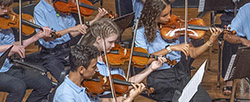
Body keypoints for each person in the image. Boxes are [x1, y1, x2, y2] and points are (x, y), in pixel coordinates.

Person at [135, 0, 222, 101]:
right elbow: (143, 59)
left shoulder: (175, 26)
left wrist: (209, 42)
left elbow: (193, 53)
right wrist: (170, 49)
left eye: (170, 13)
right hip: (159, 77)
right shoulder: (141, 33)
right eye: (164, 15)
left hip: (179, 72)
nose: (169, 18)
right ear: (153, 16)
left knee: (204, 99)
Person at [80, 18, 168, 101]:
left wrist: (150, 68)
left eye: (115, 42)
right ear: (99, 39)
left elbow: (123, 84)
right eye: (110, 42)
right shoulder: (87, 63)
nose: (114, 46)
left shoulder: (113, 59)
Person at [34, 0, 108, 83]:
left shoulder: (63, 5)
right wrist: (70, 29)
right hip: (51, 55)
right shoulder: (39, 9)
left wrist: (96, 19)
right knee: (67, 81)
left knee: (86, 70)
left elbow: (73, 33)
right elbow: (48, 37)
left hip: (67, 50)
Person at [0, 0, 53, 101]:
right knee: (18, 86)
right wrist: (9, 48)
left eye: (8, 7)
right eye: (3, 8)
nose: (6, 11)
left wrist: (36, 37)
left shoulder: (5, 25)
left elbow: (14, 46)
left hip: (7, 67)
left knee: (45, 83)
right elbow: (10, 48)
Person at [53, 44, 146, 102]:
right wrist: (129, 99)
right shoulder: (65, 96)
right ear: (81, 69)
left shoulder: (85, 85)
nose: (97, 69)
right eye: (94, 67)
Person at [222, 3, 250, 96]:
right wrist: (242, 40)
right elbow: (227, 35)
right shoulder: (246, 10)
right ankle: (229, 80)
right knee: (230, 46)